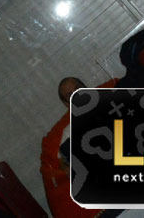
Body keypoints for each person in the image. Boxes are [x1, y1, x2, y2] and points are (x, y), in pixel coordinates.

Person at [40, 77, 104, 218]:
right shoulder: (68, 131)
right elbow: (63, 160)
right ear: (67, 104)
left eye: (78, 88)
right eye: (71, 95)